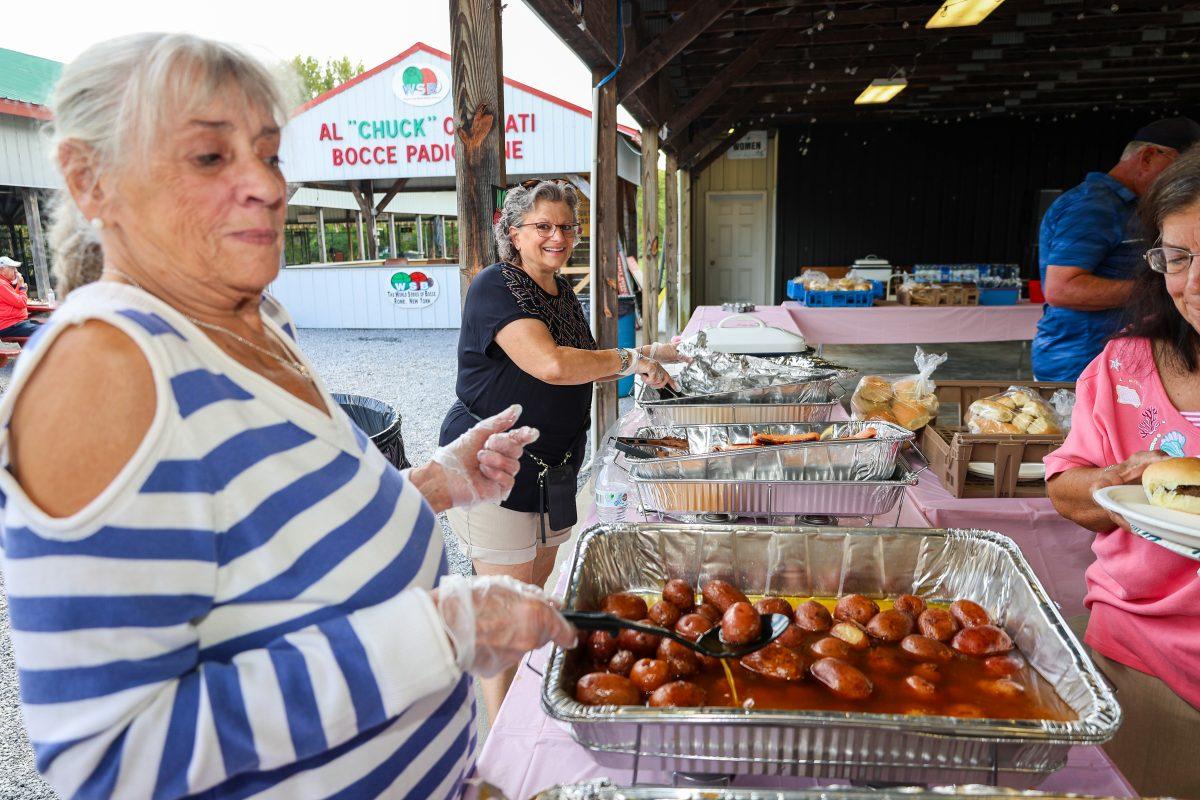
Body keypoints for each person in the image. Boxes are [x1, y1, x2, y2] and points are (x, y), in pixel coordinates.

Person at [0, 33, 576, 799]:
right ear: (89, 180)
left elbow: (274, 545)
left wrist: (434, 482)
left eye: (268, 155)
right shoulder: (105, 366)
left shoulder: (257, 320)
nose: (268, 188)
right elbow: (110, 759)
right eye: (210, 158)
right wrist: (442, 632)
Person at [438, 179, 685, 721]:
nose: (557, 236)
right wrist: (631, 358)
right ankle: (501, 734)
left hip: (554, 469)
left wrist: (640, 354)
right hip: (495, 466)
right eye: (543, 226)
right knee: (502, 604)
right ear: (513, 233)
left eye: (566, 227)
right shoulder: (494, 286)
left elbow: (579, 360)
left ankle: (527, 706)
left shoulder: (561, 292)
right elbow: (550, 364)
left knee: (534, 591)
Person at [1044, 146, 1200, 799]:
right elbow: (1067, 485)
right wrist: (1121, 477)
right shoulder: (1122, 367)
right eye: (1179, 258)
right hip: (1139, 658)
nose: (1194, 283)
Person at [1032, 116, 1200, 381]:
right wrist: (1159, 288)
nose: (1183, 179)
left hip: (1120, 358)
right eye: (1179, 166)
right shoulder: (1094, 206)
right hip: (1081, 363)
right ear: (1147, 157)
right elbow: (1061, 289)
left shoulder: (1136, 206)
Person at [0, 256, 42, 337]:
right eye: (12, 268)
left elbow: (12, 299)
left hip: (15, 323)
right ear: (2, 270)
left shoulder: (3, 283)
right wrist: (22, 287)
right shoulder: (1, 284)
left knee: (43, 326)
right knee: (45, 331)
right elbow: (21, 302)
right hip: (10, 325)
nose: (16, 271)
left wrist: (20, 288)